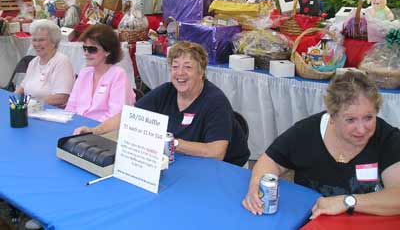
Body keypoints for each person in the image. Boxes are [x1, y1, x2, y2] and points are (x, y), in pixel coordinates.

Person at [243, 71, 400, 218]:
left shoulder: (387, 138)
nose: (361, 129)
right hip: (311, 220)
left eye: (368, 117)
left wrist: (347, 201)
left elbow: (397, 195)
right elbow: (270, 161)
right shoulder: (306, 132)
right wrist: (256, 187)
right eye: (350, 120)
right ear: (332, 116)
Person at [74, 41, 250, 165]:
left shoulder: (215, 101)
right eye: (175, 67)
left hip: (224, 169)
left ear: (201, 72)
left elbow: (216, 153)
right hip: (183, 161)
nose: (180, 73)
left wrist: (170, 143)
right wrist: (94, 131)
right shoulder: (166, 91)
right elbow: (129, 115)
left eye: (188, 67)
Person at [65, 24, 135, 122]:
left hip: (102, 131)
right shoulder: (84, 72)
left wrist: (90, 129)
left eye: (92, 49)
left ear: (108, 51)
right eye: (84, 48)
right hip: (77, 126)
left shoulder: (118, 75)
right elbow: (71, 106)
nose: (86, 53)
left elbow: (115, 115)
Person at [16, 19, 74, 107]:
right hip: (31, 108)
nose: (37, 44)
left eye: (41, 40)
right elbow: (22, 87)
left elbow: (62, 97)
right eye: (34, 40)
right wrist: (11, 99)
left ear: (54, 42)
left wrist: (32, 103)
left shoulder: (62, 62)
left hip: (51, 112)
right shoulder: (34, 62)